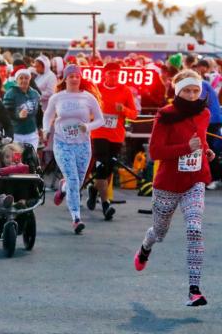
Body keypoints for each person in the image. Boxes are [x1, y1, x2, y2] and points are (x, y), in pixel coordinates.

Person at [134, 70, 213, 307]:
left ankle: (194, 290)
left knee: (194, 229)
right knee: (159, 233)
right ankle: (145, 247)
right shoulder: (165, 116)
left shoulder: (204, 113)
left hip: (194, 181)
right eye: (187, 91)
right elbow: (155, 152)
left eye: (195, 91)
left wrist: (206, 150)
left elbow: (200, 139)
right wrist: (185, 147)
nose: (191, 95)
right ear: (178, 91)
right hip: (167, 184)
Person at [42, 64, 104, 234]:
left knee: (77, 182)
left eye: (77, 76)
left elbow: (101, 120)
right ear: (66, 78)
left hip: (83, 145)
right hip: (62, 143)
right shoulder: (58, 97)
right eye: (71, 76)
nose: (75, 79)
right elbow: (48, 116)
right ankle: (76, 218)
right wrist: (46, 130)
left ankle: (63, 188)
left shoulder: (88, 97)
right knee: (73, 179)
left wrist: (88, 126)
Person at [88, 62, 138, 220]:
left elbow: (134, 114)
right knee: (102, 166)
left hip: (116, 136)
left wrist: (123, 109)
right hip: (98, 133)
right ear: (105, 75)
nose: (114, 77)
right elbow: (87, 109)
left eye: (116, 74)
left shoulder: (125, 91)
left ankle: (94, 190)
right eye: (111, 74)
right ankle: (105, 205)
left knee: (108, 169)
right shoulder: (97, 90)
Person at [3, 69, 41, 152]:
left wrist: (40, 127)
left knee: (31, 157)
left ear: (30, 79)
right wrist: (18, 115)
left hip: (31, 132)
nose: (24, 80)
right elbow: (5, 114)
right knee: (17, 158)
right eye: (21, 78)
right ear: (16, 80)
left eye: (26, 78)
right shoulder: (10, 94)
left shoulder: (34, 93)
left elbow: (39, 112)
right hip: (16, 133)